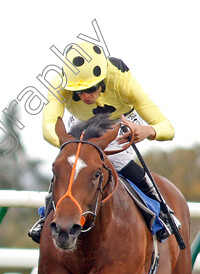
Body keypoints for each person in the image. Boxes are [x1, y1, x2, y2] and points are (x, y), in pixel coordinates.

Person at [29, 41, 177, 243]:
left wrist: (148, 130)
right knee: (69, 164)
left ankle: (164, 214)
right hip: (82, 123)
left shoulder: (122, 79)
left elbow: (167, 128)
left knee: (117, 162)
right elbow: (48, 127)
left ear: (103, 81)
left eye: (90, 89)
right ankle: (45, 216)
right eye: (78, 92)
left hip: (120, 120)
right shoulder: (59, 83)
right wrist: (71, 147)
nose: (85, 96)